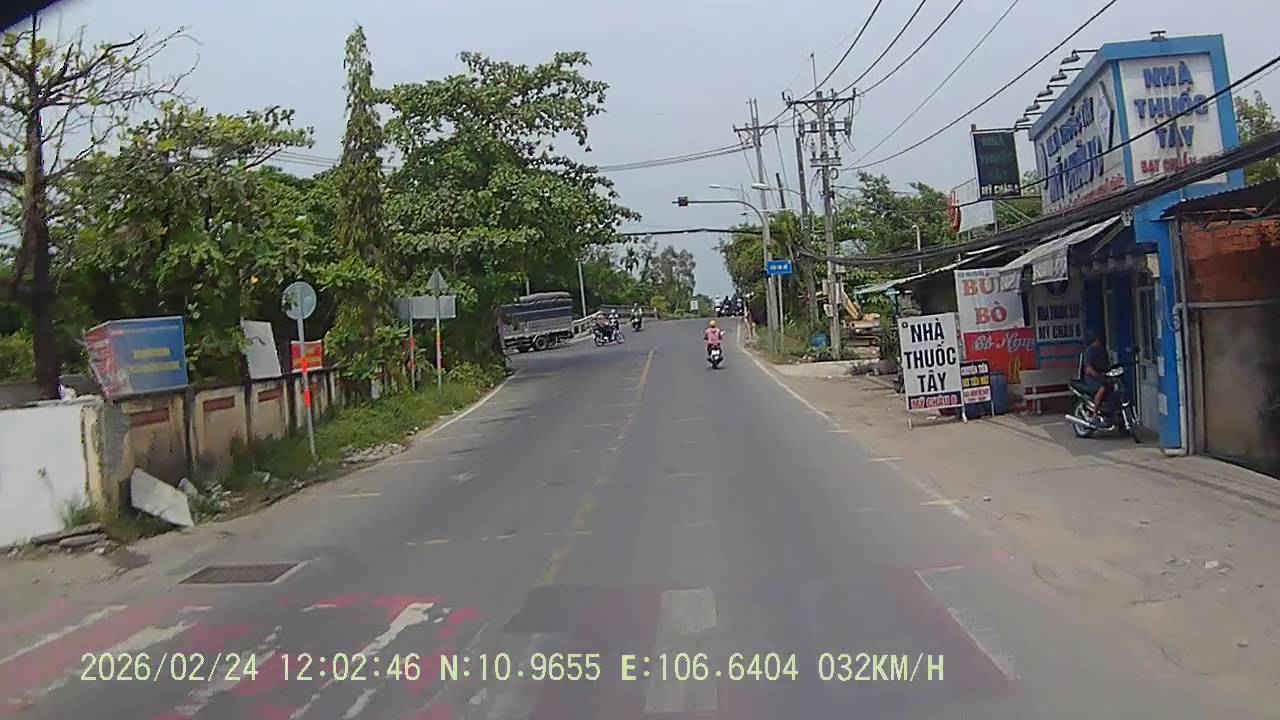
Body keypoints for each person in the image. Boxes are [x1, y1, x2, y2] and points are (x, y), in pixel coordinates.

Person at [1082, 333, 1112, 422]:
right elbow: (1088, 369)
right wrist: (1097, 374)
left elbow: (1107, 365)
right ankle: (1095, 413)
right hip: (1092, 379)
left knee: (1112, 385)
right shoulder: (1090, 352)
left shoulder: (1103, 351)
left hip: (1103, 376)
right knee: (1102, 388)